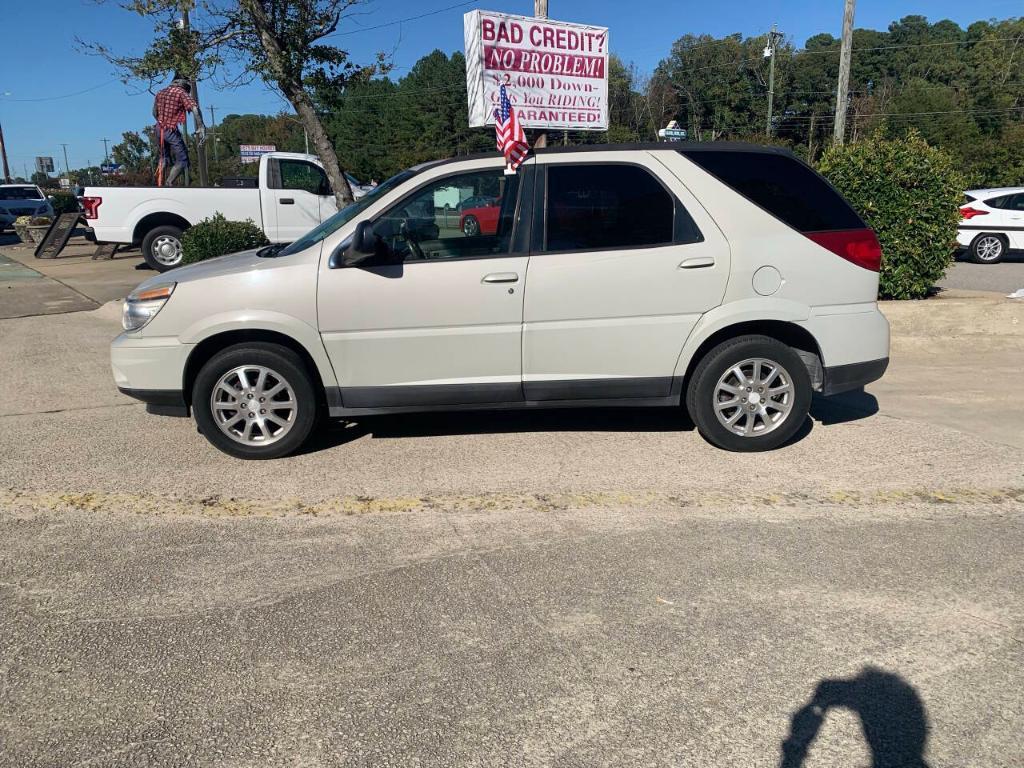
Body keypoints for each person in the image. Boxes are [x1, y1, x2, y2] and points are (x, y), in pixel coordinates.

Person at [153, 73, 205, 186]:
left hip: (158, 129)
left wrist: (162, 121)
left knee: (164, 158)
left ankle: (157, 183)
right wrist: (201, 126)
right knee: (183, 159)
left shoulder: (160, 92)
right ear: (183, 83)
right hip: (170, 130)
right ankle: (169, 183)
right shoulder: (181, 93)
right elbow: (194, 108)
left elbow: (154, 113)